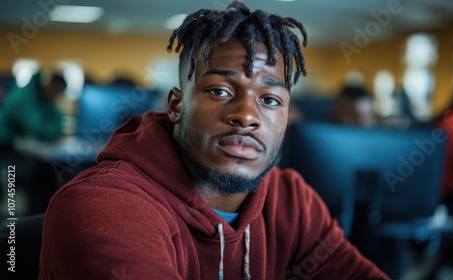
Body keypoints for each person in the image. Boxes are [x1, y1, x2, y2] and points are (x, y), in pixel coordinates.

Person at [39, 2, 389, 279]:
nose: (247, 115)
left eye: (269, 99)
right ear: (176, 105)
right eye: (220, 90)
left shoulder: (291, 201)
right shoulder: (103, 205)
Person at [0, 71, 66, 156]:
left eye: (59, 93)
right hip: (5, 143)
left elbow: (57, 124)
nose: (55, 95)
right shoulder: (24, 98)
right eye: (55, 90)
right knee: (11, 168)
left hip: (16, 145)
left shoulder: (45, 102)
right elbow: (33, 125)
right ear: (48, 84)